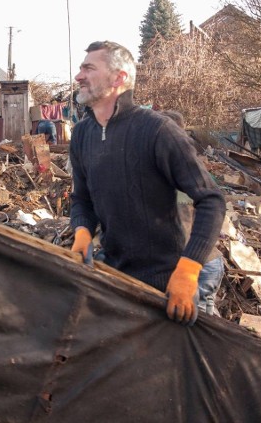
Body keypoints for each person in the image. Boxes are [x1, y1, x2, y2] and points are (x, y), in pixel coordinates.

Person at [68, 41, 226, 325]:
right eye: (81, 68)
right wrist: (82, 230)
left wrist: (189, 269)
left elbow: (211, 200)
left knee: (186, 362)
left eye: (89, 68)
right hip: (123, 271)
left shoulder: (157, 130)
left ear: (119, 78)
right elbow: (82, 198)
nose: (79, 76)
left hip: (177, 273)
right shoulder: (81, 135)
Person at [162, 109, 225, 316]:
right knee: (204, 325)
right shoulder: (194, 169)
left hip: (193, 266)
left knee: (195, 328)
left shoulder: (171, 172)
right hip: (209, 262)